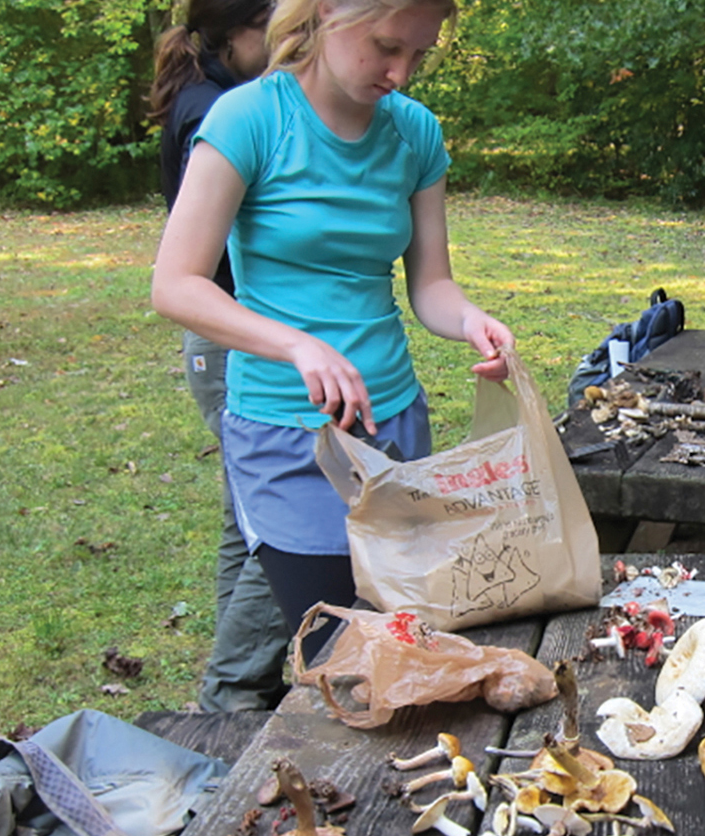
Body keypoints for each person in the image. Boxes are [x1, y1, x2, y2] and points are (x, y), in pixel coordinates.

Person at [151, 0, 514, 663]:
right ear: (325, 12)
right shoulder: (250, 117)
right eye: (385, 46)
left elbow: (431, 285)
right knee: (342, 656)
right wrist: (296, 344)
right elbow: (175, 284)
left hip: (393, 425)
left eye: (419, 54)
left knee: (405, 641)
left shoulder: (415, 134)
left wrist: (469, 320)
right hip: (286, 437)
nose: (400, 74)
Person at [148, 0, 294, 713]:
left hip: (232, 332)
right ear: (240, 33)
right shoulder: (222, 110)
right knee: (279, 521)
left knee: (247, 517)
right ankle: (232, 693)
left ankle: (240, 682)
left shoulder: (208, 93)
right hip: (228, 334)